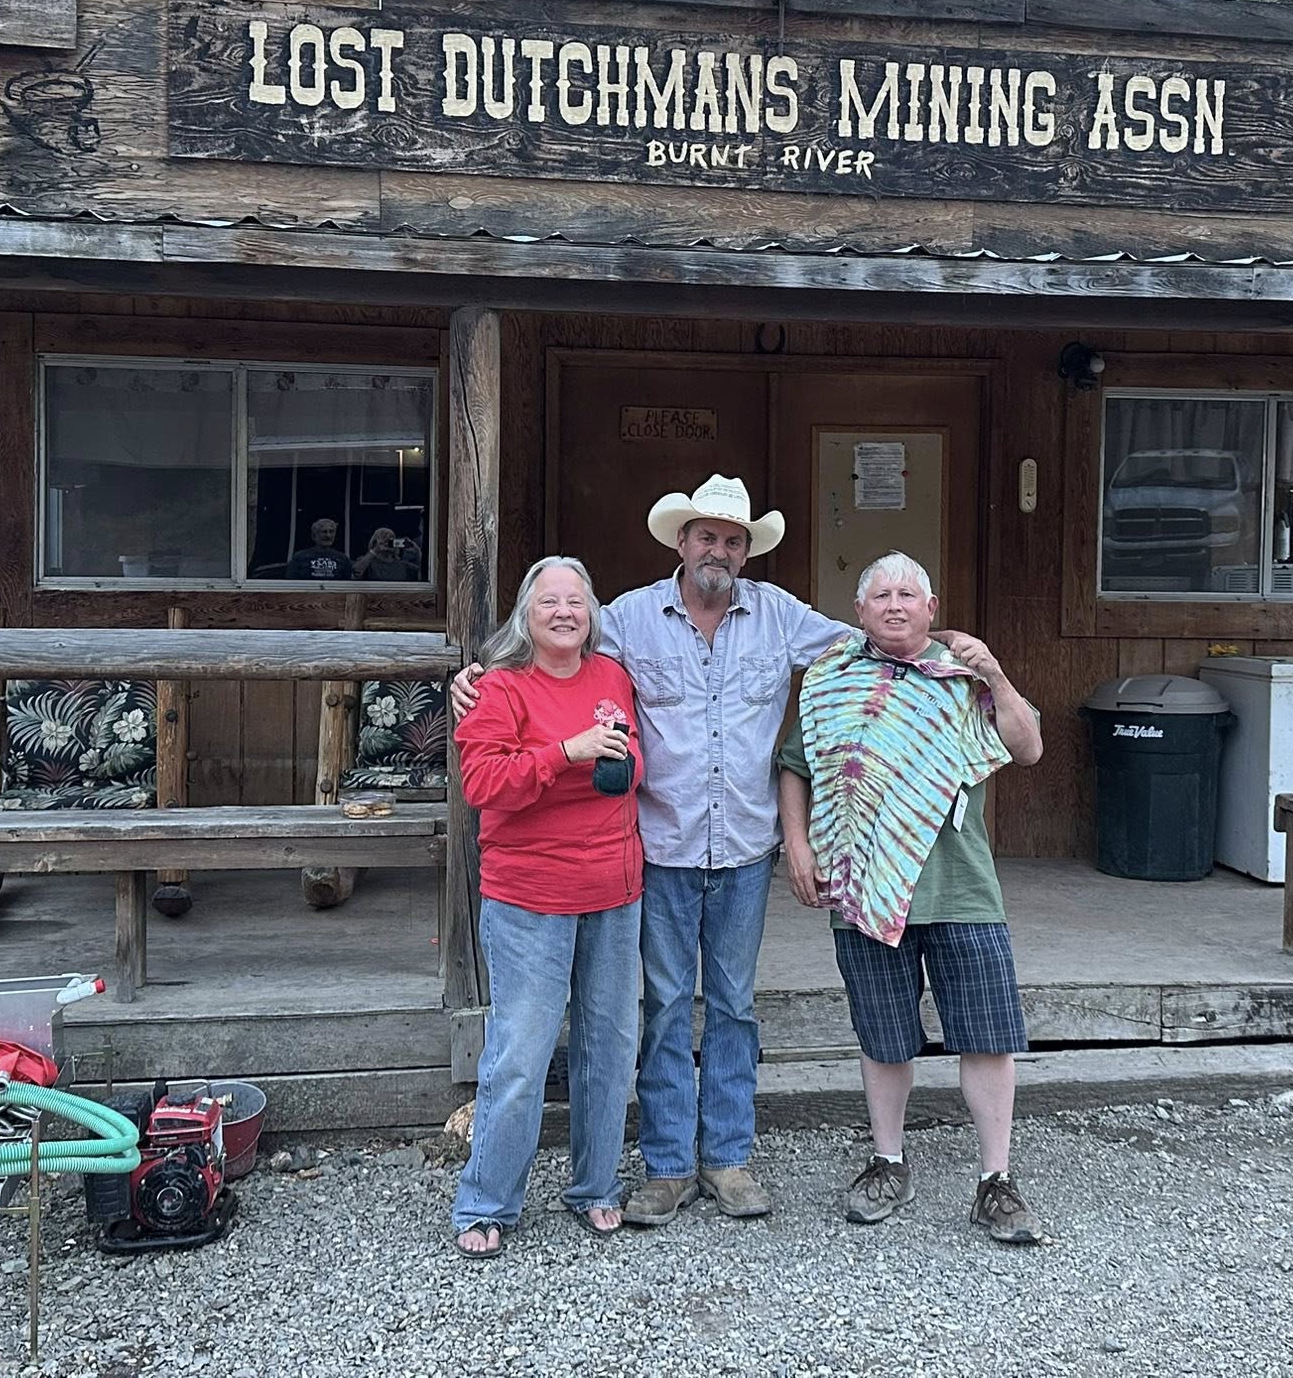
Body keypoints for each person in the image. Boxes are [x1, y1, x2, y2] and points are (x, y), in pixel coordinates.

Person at [451, 473, 854, 1227]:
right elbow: (541, 648)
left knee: (732, 1007)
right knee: (665, 1007)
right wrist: (470, 679)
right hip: (660, 850)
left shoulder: (780, 617)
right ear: (682, 542)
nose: (720, 551)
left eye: (734, 541)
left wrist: (935, 649)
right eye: (708, 537)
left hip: (741, 850)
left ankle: (727, 1158)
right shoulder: (629, 618)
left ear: (746, 552)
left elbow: (859, 651)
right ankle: (667, 1165)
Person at [776, 551, 1048, 1246]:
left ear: (931, 608)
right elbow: (795, 767)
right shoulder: (830, 682)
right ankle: (888, 1161)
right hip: (862, 879)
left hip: (960, 886)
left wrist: (995, 674)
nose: (894, 604)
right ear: (860, 611)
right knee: (883, 1032)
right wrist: (799, 846)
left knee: (987, 1034)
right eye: (880, 595)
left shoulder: (965, 680)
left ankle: (996, 1181)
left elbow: (1028, 748)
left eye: (908, 593)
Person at [448, 556, 645, 1258]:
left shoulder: (611, 677)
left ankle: (596, 1187)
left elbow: (630, 764)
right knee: (522, 1054)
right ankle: (488, 1200)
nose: (564, 612)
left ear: (591, 615)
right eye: (549, 602)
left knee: (611, 1047)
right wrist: (566, 752)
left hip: (615, 891)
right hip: (530, 895)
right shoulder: (499, 689)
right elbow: (484, 785)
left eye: (576, 602)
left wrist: (612, 761)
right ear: (525, 617)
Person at [285, 517, 353, 580]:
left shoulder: (343, 559)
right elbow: (290, 583)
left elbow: (349, 585)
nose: (328, 535)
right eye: (324, 532)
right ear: (314, 535)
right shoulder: (299, 557)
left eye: (331, 531)